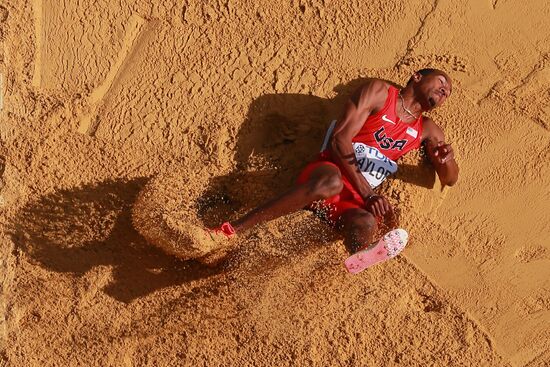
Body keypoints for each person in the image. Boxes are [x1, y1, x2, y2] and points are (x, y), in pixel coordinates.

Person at [203, 69, 458, 265]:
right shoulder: (380, 93)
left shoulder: (427, 129)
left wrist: (445, 160)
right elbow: (339, 140)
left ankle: (359, 261)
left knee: (366, 222)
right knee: (331, 182)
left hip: (355, 199)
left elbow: (450, 179)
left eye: (448, 92)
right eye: (441, 82)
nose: (445, 91)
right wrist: (368, 194)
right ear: (416, 77)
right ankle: (230, 230)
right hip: (330, 170)